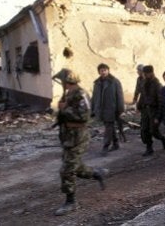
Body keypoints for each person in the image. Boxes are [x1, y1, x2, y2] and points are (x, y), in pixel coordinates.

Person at [52, 69, 106, 216]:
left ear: (68, 81)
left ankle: (71, 202)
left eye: (63, 81)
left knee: (67, 170)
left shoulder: (81, 94)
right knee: (75, 166)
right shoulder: (68, 94)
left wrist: (65, 109)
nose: (62, 84)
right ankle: (96, 174)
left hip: (78, 137)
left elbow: (84, 116)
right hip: (68, 137)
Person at [91, 63, 125, 156]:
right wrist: (92, 109)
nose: (103, 72)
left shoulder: (114, 81)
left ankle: (105, 146)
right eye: (101, 70)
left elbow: (120, 96)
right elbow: (94, 97)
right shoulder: (97, 83)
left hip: (112, 109)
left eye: (105, 70)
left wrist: (121, 109)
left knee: (108, 127)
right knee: (109, 126)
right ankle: (116, 143)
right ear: (99, 72)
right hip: (101, 109)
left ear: (108, 70)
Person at [137, 65, 165, 156]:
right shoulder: (144, 83)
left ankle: (163, 139)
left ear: (151, 73)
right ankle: (149, 148)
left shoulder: (157, 85)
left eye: (147, 74)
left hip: (154, 110)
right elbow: (142, 95)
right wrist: (139, 106)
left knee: (153, 131)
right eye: (144, 74)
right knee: (144, 130)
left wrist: (158, 116)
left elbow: (161, 101)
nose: (145, 76)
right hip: (145, 110)